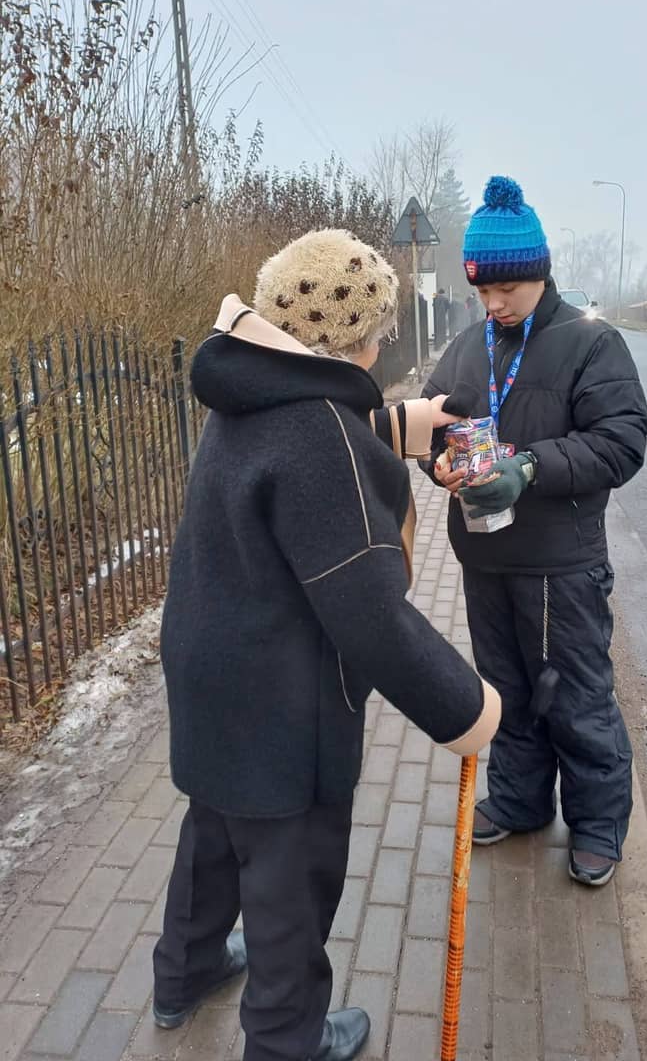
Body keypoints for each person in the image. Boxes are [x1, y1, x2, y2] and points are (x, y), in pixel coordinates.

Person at [153, 228, 501, 1061]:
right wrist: (469, 709)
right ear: (352, 339)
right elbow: (373, 620)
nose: (384, 346)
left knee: (212, 835)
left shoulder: (247, 394)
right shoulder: (320, 440)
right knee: (290, 885)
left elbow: (304, 443)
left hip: (209, 673)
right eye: (377, 332)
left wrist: (394, 426)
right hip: (282, 708)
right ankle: (286, 1040)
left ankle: (186, 970)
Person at [422, 176, 647, 888]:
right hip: (486, 557)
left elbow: (622, 442)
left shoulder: (590, 343)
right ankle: (520, 803)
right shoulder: (467, 347)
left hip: (561, 565)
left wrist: (529, 467)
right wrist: (438, 468)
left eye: (507, 291)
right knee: (508, 694)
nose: (493, 305)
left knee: (574, 698)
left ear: (539, 274)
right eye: (483, 292)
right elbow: (435, 425)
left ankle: (599, 828)